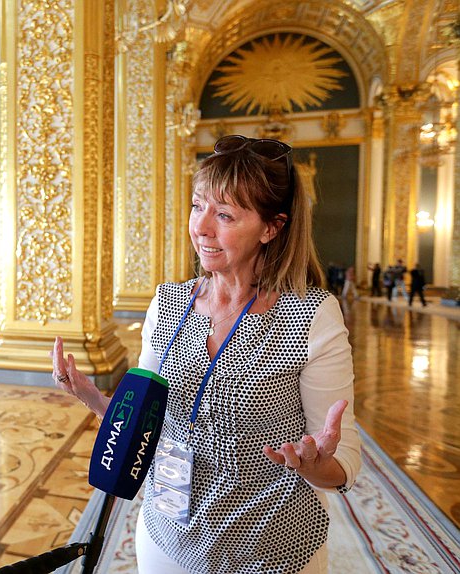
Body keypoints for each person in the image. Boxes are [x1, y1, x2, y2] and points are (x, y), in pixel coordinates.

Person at [52, 135, 360, 573]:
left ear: (272, 227)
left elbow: (343, 458)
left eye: (225, 214)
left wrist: (317, 466)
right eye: (198, 206)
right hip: (167, 535)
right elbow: (146, 420)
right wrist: (92, 398)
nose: (201, 227)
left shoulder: (312, 316)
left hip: (272, 550)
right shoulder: (168, 302)